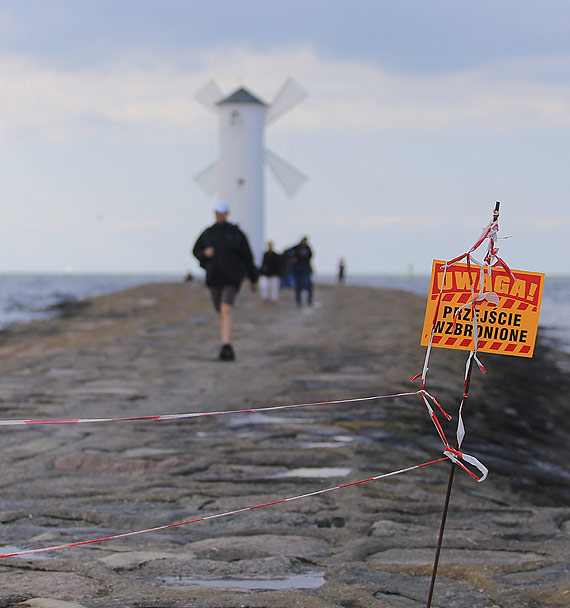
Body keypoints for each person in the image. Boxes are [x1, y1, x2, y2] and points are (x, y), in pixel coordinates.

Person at [192, 200, 258, 361]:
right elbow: (195, 250)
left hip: (232, 278)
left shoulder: (236, 234)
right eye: (217, 213)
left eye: (221, 213)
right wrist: (204, 254)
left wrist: (253, 278)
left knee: (226, 308)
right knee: (220, 310)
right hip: (214, 277)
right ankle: (224, 340)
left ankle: (226, 344)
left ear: (227, 214)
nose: (219, 215)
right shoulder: (208, 233)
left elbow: (247, 256)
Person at [291, 236, 313, 307]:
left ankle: (309, 300)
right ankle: (298, 301)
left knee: (309, 285)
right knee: (298, 286)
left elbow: (311, 256)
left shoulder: (308, 248)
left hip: (306, 269)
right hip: (297, 270)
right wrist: (293, 258)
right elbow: (288, 251)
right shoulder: (296, 248)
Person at [259, 241, 282, 306]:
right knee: (264, 287)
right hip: (266, 274)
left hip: (274, 274)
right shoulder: (265, 255)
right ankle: (265, 299)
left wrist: (279, 274)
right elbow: (263, 264)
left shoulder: (276, 255)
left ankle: (273, 301)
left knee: (274, 288)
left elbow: (278, 265)